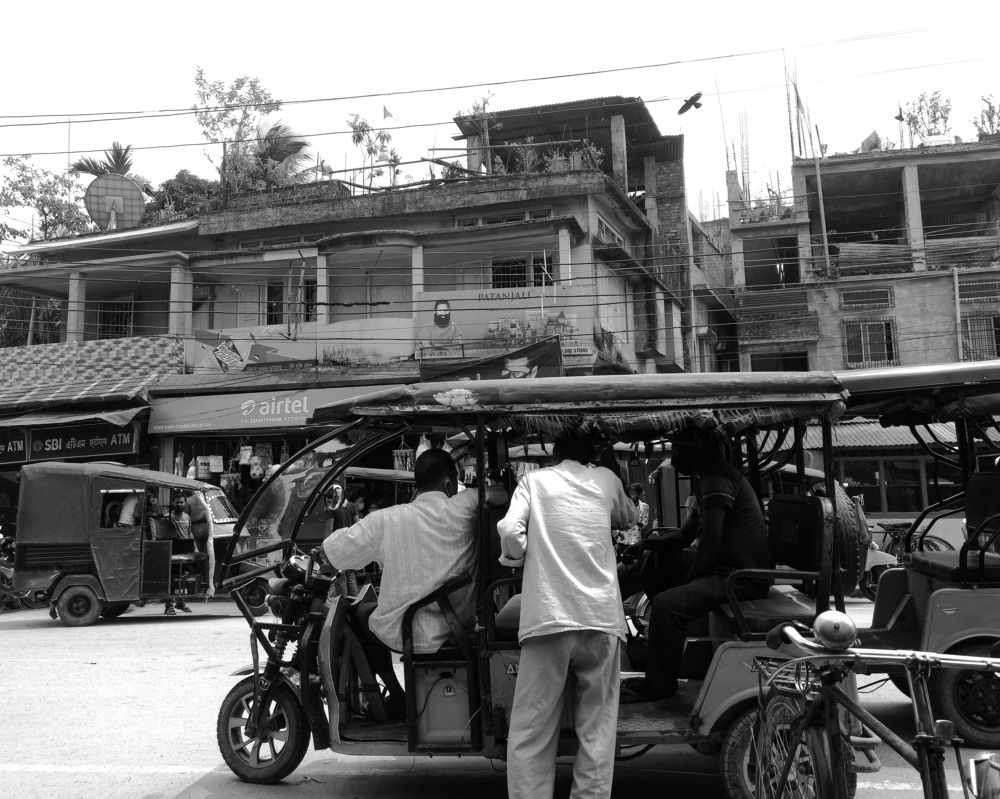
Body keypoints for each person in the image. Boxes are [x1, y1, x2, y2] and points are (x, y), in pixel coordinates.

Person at [321, 448, 506, 719]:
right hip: (458, 622)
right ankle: (395, 693)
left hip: (406, 628)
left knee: (356, 611)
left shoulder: (388, 518)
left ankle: (393, 692)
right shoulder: (464, 505)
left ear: (416, 485)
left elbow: (334, 549)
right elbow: (499, 493)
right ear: (448, 483)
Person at [498, 434, 634, 799]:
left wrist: (521, 555)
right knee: (597, 730)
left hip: (549, 618)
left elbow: (510, 531)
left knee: (531, 731)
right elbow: (628, 516)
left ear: (554, 453)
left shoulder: (533, 481)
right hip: (601, 618)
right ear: (592, 454)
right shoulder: (606, 479)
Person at [620, 424, 771, 702]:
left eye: (679, 450)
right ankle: (652, 632)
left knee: (667, 605)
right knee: (655, 560)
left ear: (698, 450)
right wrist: (646, 544)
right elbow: (683, 536)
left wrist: (687, 586)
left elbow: (711, 542)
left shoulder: (717, 479)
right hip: (725, 570)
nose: (674, 458)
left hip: (739, 577)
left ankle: (660, 683)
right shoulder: (707, 480)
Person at [164, 494, 194, 615]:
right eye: (177, 502)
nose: (179, 504)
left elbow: (190, 533)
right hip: (173, 549)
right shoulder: (169, 517)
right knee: (171, 578)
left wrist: (194, 548)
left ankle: (180, 603)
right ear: (173, 503)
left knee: (184, 576)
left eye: (181, 502)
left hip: (186, 550)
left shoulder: (187, 517)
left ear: (185, 502)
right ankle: (168, 606)